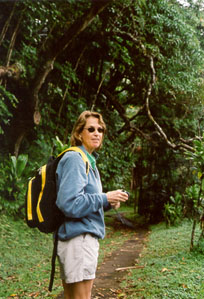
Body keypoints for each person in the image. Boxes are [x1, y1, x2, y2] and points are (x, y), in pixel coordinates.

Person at [55, 110, 128, 299]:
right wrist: (104, 197)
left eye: (100, 129)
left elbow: (83, 202)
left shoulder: (88, 161)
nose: (97, 133)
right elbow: (69, 203)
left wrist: (109, 202)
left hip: (81, 238)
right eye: (91, 129)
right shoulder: (75, 159)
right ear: (79, 134)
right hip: (79, 239)